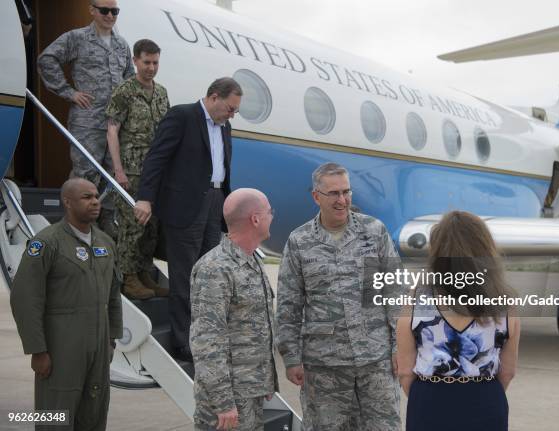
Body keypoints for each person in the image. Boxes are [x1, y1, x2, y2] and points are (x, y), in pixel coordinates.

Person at [276, 162, 402, 430]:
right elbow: (289, 304)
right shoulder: (299, 241)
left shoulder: (374, 231)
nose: (342, 200)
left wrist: (398, 346)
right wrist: (291, 357)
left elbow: (394, 291)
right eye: (333, 193)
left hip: (375, 361)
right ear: (316, 197)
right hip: (324, 367)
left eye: (346, 192)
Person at [134, 77, 242, 361]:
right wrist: (145, 197)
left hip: (215, 202)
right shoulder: (183, 116)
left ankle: (205, 337)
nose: (232, 115)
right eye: (230, 108)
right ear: (214, 97)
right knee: (185, 276)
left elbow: (222, 168)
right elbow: (156, 158)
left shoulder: (225, 126)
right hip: (186, 205)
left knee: (208, 276)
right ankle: (183, 342)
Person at [10, 178, 122, 431]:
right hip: (61, 347)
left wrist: (112, 338)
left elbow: (114, 296)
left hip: (99, 346)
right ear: (67, 202)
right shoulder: (46, 243)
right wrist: (37, 349)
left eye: (95, 196)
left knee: (94, 413)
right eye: (86, 197)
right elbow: (25, 298)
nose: (95, 202)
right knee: (55, 415)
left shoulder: (106, 243)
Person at [396, 210, 520, 431]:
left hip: (430, 401)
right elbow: (508, 372)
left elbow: (405, 371)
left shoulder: (415, 299)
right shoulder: (506, 303)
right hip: (485, 400)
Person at [38, 0, 134, 236]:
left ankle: (107, 227)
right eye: (104, 10)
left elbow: (130, 79)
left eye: (115, 11)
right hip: (87, 121)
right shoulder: (77, 38)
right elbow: (46, 59)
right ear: (92, 10)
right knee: (85, 173)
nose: (110, 15)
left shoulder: (122, 45)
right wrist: (68, 92)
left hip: (116, 124)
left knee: (113, 176)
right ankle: (75, 227)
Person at [190, 188, 277, 431]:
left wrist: (265, 381)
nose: (273, 217)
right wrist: (223, 402)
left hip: (249, 394)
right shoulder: (215, 268)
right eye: (270, 212)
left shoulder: (251, 262)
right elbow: (207, 341)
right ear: (256, 219)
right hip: (229, 403)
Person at [106, 38, 170, 300]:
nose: (151, 68)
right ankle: (128, 279)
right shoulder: (125, 91)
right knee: (132, 226)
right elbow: (112, 131)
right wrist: (118, 170)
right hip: (131, 172)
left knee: (151, 227)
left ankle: (144, 274)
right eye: (146, 62)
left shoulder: (162, 92)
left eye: (155, 62)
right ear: (135, 61)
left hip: (156, 173)